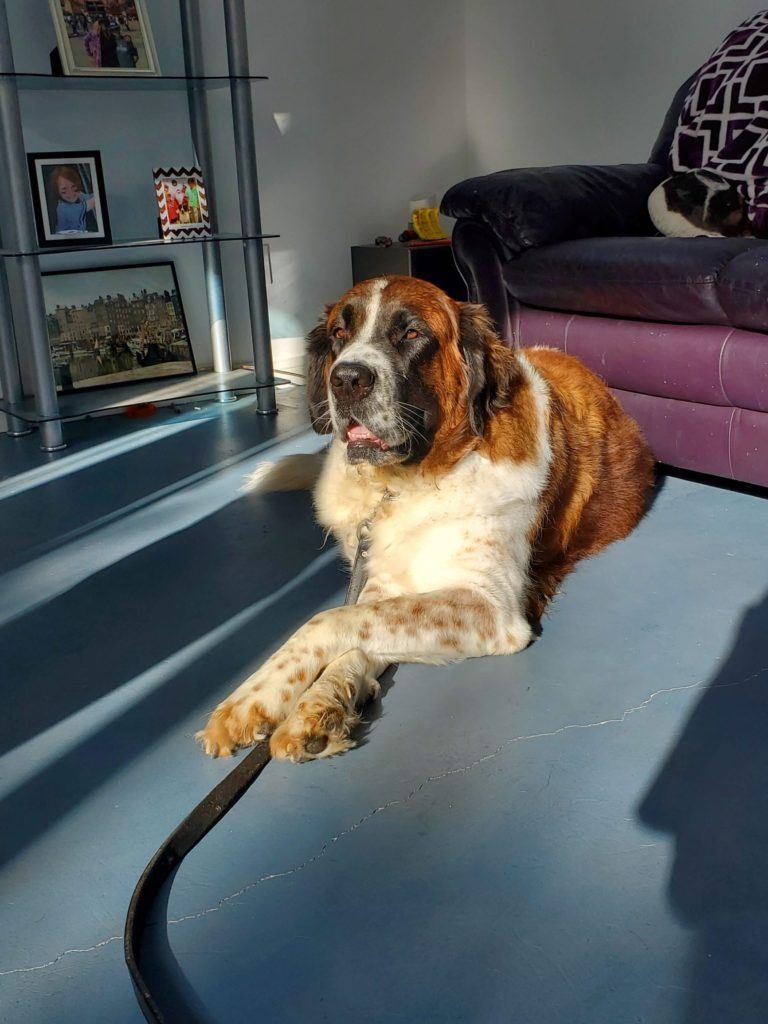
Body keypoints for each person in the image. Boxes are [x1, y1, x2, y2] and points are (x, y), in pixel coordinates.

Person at [49, 166, 96, 235]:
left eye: (73, 187)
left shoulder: (79, 194)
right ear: (57, 191)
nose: (71, 193)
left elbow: (90, 197)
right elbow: (93, 202)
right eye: (64, 191)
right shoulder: (62, 208)